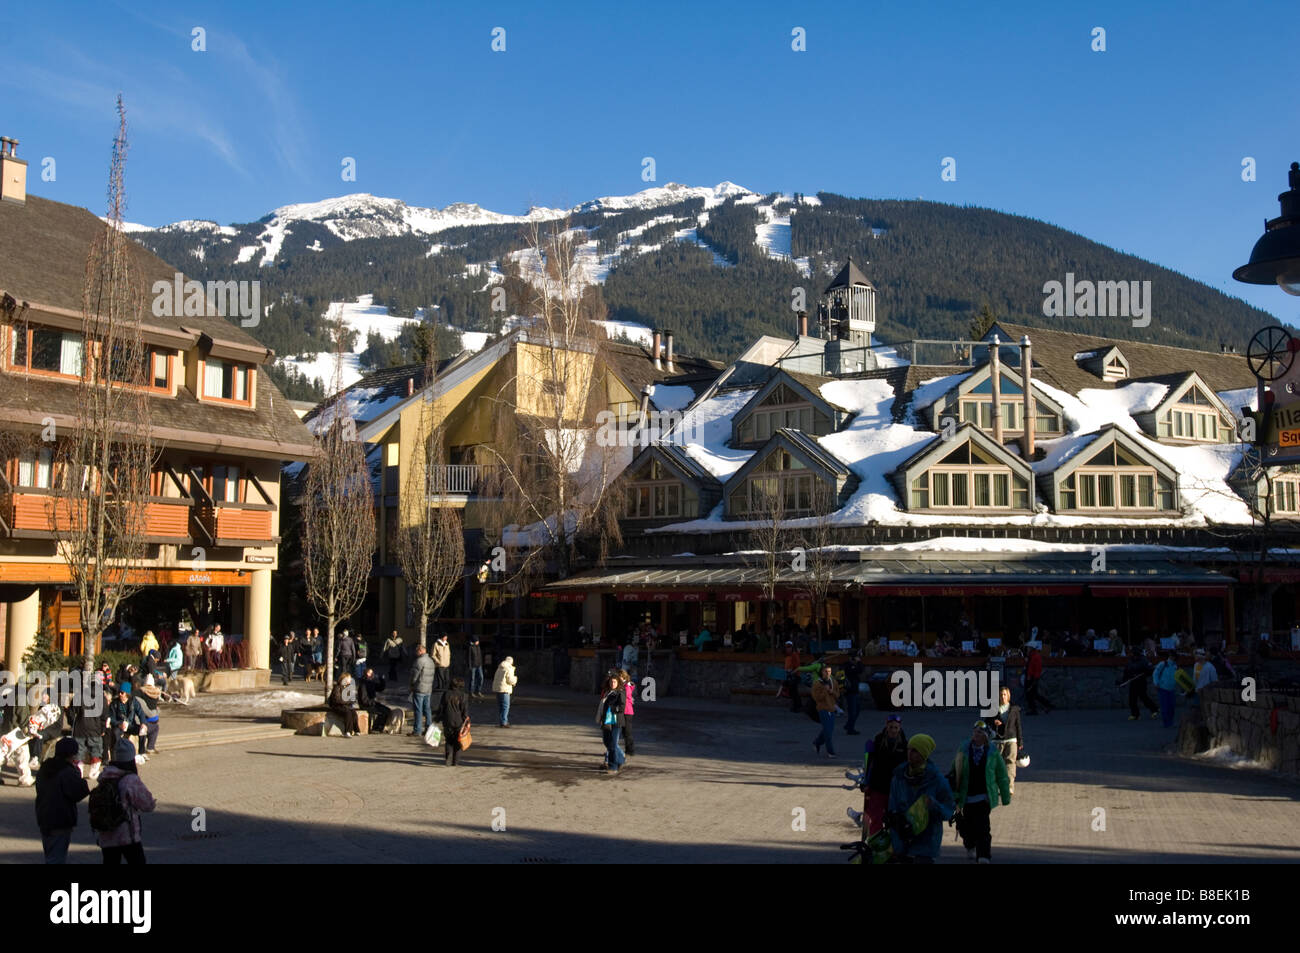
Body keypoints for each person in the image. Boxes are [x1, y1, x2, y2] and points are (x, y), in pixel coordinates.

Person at [950, 721, 1012, 863]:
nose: (975, 735)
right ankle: (969, 844)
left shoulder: (992, 753)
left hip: (983, 798)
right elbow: (954, 771)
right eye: (974, 732)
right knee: (966, 828)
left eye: (979, 733)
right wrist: (953, 792)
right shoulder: (964, 750)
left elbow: (1002, 775)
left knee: (983, 827)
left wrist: (1005, 796)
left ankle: (984, 855)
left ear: (985, 737)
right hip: (966, 797)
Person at [887, 734, 954, 863]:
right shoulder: (899, 777)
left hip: (926, 844)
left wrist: (934, 805)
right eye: (908, 749)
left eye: (914, 751)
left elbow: (949, 810)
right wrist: (895, 819)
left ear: (924, 754)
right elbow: (892, 806)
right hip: (901, 842)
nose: (909, 753)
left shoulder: (937, 780)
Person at [93, 740, 156, 864]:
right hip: (127, 834)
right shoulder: (130, 780)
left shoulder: (104, 776)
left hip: (106, 833)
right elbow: (148, 804)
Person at [848, 714, 907, 833]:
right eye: (891, 727)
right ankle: (876, 842)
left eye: (896, 727)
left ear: (899, 728)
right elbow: (870, 764)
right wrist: (866, 782)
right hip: (878, 786)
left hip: (895, 788)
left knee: (894, 818)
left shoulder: (905, 744)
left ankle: (891, 844)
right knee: (876, 818)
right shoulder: (878, 741)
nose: (893, 730)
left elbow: (907, 767)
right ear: (887, 726)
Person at [35, 737, 90, 864]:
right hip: (60, 819)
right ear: (72, 754)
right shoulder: (67, 772)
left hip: (44, 816)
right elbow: (79, 792)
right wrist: (77, 773)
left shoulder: (45, 768)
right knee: (56, 857)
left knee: (50, 853)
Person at [989, 685, 1024, 795]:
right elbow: (986, 722)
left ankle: (1009, 787)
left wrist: (1020, 741)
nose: (1002, 697)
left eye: (1004, 694)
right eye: (1001, 695)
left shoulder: (1014, 709)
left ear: (1008, 696)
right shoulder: (993, 708)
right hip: (997, 740)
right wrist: (994, 723)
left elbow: (1018, 726)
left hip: (1011, 739)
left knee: (1010, 763)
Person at [436, 677, 469, 766]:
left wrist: (437, 718)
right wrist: (467, 722)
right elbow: (464, 711)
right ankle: (455, 761)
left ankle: (448, 757)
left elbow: (441, 708)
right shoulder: (463, 696)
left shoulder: (446, 694)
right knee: (457, 742)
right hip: (459, 722)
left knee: (448, 741)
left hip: (447, 720)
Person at [597, 674, 626, 775]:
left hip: (616, 722)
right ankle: (621, 759)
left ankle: (613, 766)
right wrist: (602, 718)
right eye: (611, 682)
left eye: (614, 682)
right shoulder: (607, 692)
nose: (612, 684)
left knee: (613, 744)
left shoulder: (620, 692)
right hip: (606, 721)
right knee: (606, 742)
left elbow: (622, 707)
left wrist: (613, 709)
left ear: (618, 683)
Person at [811, 663, 841, 758]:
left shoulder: (833, 681)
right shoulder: (817, 683)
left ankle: (817, 742)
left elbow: (838, 695)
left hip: (831, 708)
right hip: (823, 709)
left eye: (829, 671)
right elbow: (816, 698)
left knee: (829, 730)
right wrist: (825, 691)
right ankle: (830, 752)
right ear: (822, 672)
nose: (828, 673)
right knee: (828, 732)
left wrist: (832, 692)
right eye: (826, 671)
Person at [1121, 650, 1159, 721]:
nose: (1132, 655)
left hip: (1141, 682)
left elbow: (1151, 669)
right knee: (1132, 699)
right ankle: (1135, 715)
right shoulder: (1130, 661)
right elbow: (1126, 671)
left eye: (1133, 654)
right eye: (1132, 654)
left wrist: (1146, 673)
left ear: (1137, 654)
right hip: (1133, 681)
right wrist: (1124, 681)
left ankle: (1154, 709)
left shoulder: (1144, 660)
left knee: (1144, 698)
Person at [106, 685, 143, 753]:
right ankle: (117, 752)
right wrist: (119, 724)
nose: (120, 694)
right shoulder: (114, 703)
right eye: (119, 692)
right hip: (119, 726)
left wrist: (143, 723)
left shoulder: (134, 702)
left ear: (127, 694)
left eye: (122, 692)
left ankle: (141, 752)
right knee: (115, 733)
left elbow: (141, 713)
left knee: (142, 730)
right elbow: (111, 717)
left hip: (131, 725)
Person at [410, 644, 436, 736]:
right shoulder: (431, 661)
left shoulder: (419, 661)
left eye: (417, 651)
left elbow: (414, 676)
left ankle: (417, 730)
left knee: (418, 710)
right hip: (428, 689)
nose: (416, 653)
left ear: (420, 651)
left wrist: (411, 685)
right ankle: (428, 728)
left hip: (419, 688)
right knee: (427, 709)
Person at [135, 677, 162, 756]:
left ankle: (147, 748)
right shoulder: (156, 693)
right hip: (150, 719)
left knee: (148, 727)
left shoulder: (140, 693)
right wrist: (157, 711)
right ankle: (149, 748)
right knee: (155, 728)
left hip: (145, 718)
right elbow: (151, 712)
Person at [1024, 645, 1054, 715]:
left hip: (1032, 677)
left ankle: (1035, 709)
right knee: (1033, 694)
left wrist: (1035, 678)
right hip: (1031, 676)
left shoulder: (1035, 656)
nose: (1027, 649)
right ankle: (1046, 705)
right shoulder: (1032, 656)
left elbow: (1037, 668)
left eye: (1028, 648)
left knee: (1031, 694)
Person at [1153, 651, 1180, 727]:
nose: (1172, 657)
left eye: (1173, 656)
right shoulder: (1163, 664)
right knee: (1165, 707)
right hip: (1163, 688)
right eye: (1171, 656)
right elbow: (1155, 673)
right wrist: (1156, 683)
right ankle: (1167, 723)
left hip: (1171, 688)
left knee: (1171, 707)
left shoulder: (1175, 666)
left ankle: (1170, 721)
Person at [358, 666, 390, 731]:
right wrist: (372, 702)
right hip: (366, 705)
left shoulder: (371, 682)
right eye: (371, 673)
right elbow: (364, 699)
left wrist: (382, 680)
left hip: (372, 703)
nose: (373, 674)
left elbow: (380, 688)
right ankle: (376, 728)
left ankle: (378, 727)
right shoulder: (363, 684)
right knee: (382, 712)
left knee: (387, 710)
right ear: (367, 674)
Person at [329, 672, 361, 737]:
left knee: (354, 713)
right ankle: (347, 732)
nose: (350, 680)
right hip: (337, 706)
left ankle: (356, 730)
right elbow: (337, 699)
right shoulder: (337, 687)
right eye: (349, 678)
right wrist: (347, 702)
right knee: (348, 713)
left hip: (346, 705)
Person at [842, 651, 864, 735]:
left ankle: (848, 725)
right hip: (850, 691)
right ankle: (850, 729)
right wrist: (859, 662)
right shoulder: (848, 666)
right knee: (853, 711)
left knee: (857, 710)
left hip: (855, 690)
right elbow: (860, 670)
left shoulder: (851, 665)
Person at [493, 656, 518, 727]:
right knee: (505, 706)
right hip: (505, 690)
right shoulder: (509, 668)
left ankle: (502, 721)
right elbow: (510, 680)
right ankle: (504, 722)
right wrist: (515, 679)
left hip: (498, 689)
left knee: (501, 706)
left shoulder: (500, 667)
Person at [618, 668, 636, 757]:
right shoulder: (625, 685)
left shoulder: (626, 686)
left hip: (627, 712)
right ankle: (628, 749)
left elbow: (626, 697)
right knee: (625, 732)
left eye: (620, 677)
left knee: (627, 732)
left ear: (623, 677)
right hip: (625, 711)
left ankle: (630, 750)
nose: (619, 678)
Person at [783, 641, 803, 713]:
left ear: (792, 647)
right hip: (789, 675)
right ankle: (796, 706)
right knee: (793, 692)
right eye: (787, 647)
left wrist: (792, 671)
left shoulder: (794, 655)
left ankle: (797, 707)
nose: (788, 648)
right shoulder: (787, 656)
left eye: (789, 647)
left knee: (794, 692)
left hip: (794, 675)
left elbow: (797, 666)